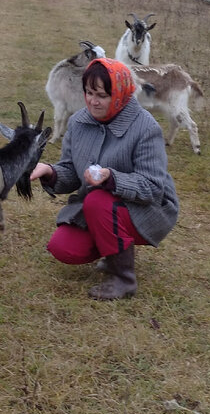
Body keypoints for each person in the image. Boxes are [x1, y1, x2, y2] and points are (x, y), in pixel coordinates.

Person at [29, 57, 179, 300]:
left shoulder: (145, 128)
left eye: (101, 95)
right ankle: (114, 251)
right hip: (103, 208)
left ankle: (124, 278)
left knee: (97, 200)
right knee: (64, 248)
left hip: (150, 208)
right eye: (88, 92)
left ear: (119, 94)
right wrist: (50, 171)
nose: (92, 101)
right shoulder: (78, 122)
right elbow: (71, 170)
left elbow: (153, 187)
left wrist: (112, 179)